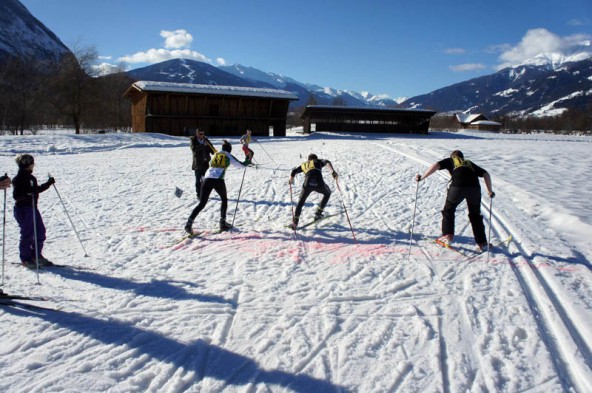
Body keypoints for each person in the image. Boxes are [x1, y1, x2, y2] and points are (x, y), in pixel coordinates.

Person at [416, 150, 495, 251]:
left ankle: (447, 236)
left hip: (457, 186)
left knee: (449, 210)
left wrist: (422, 178)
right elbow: (486, 174)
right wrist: (490, 191)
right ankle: (483, 244)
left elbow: (436, 165)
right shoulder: (469, 163)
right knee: (475, 215)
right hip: (474, 188)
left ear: (453, 156)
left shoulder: (451, 160)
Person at [185, 140, 250, 234]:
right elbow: (240, 165)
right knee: (224, 199)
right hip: (218, 179)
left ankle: (189, 223)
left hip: (207, 178)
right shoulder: (228, 155)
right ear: (229, 150)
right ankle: (222, 222)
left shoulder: (216, 154)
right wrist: (247, 159)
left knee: (202, 203)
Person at [12, 154, 55, 267]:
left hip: (32, 208)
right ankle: (26, 258)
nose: (33, 165)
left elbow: (36, 190)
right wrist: (27, 194)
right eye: (31, 164)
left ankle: (36, 255)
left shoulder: (31, 178)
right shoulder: (18, 179)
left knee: (40, 231)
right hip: (23, 210)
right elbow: (17, 196)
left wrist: (48, 183)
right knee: (28, 234)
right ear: (26, 165)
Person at [288, 154, 338, 229]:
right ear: (315, 158)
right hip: (319, 183)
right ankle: (318, 213)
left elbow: (294, 171)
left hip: (307, 185)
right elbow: (327, 162)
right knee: (327, 193)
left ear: (308, 160)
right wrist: (333, 172)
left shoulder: (304, 165)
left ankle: (295, 222)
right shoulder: (317, 161)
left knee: (301, 201)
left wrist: (291, 180)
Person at [190, 128, 217, 200]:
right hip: (198, 163)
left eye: (203, 134)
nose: (202, 135)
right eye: (200, 134)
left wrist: (209, 146)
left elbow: (213, 151)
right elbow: (194, 149)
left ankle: (204, 194)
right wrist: (203, 145)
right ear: (197, 133)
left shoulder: (206, 140)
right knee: (198, 180)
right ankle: (199, 195)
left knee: (205, 180)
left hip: (206, 163)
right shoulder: (193, 140)